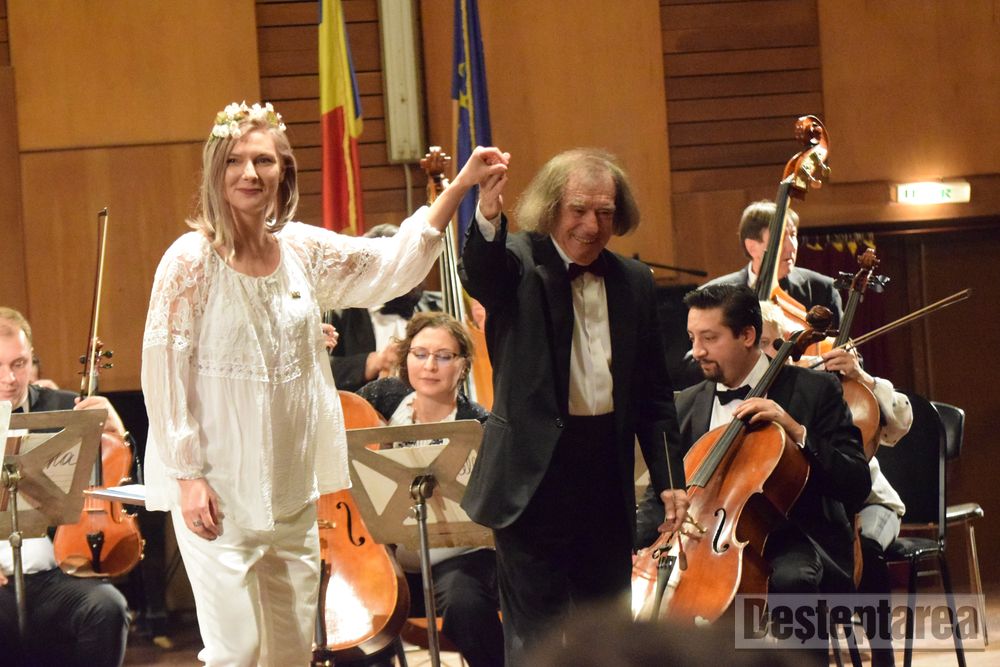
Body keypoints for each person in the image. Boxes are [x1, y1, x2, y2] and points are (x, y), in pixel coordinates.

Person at [140, 101, 508, 666]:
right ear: (215, 169)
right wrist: (188, 476)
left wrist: (458, 187)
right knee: (238, 650)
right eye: (235, 160)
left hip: (292, 490)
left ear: (283, 171)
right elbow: (164, 374)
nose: (249, 173)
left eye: (264, 160)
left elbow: (387, 265)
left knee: (291, 650)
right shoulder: (188, 261)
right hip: (219, 489)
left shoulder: (300, 250)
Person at [458, 148, 688, 664]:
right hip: (530, 481)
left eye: (605, 212)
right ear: (551, 207)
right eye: (579, 210)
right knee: (534, 639)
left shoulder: (634, 281)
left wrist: (670, 479)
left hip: (604, 474)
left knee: (607, 632)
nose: (592, 225)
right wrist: (488, 212)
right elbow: (482, 271)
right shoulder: (518, 261)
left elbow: (654, 393)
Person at [636, 285, 870, 666]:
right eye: (692, 338)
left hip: (796, 537)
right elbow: (661, 492)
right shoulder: (686, 403)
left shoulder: (815, 390)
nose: (697, 351)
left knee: (792, 581)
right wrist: (634, 544)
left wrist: (796, 431)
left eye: (709, 338)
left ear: (747, 335)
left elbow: (856, 483)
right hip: (704, 543)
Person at [357, 311, 503, 667]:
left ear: (463, 364)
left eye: (444, 356)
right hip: (387, 557)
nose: (429, 366)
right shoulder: (382, 397)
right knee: (357, 611)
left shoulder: (479, 424)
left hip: (457, 558)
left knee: (466, 604)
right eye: (419, 354)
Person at [0, 307, 130, 667]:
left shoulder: (65, 407)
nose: (10, 378)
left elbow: (121, 475)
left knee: (107, 607)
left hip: (56, 575)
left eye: (19, 364)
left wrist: (117, 432)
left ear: (31, 359)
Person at [327, 223, 442, 392]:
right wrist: (373, 361)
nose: (409, 274)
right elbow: (318, 368)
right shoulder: (339, 311)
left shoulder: (440, 306)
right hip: (364, 406)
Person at [702, 200, 844, 327]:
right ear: (752, 247)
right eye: (781, 238)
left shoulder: (823, 290)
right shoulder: (713, 296)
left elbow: (842, 345)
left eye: (793, 235)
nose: (792, 247)